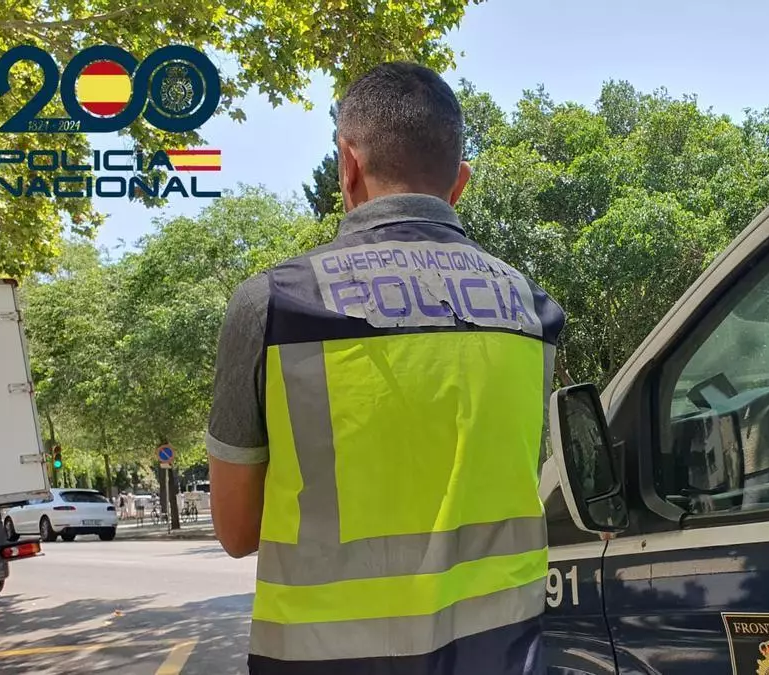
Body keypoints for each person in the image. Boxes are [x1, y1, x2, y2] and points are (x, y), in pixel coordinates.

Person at [206, 61, 565, 675]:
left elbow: (237, 532)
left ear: (348, 165)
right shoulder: (532, 310)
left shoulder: (275, 304)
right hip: (501, 655)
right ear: (460, 181)